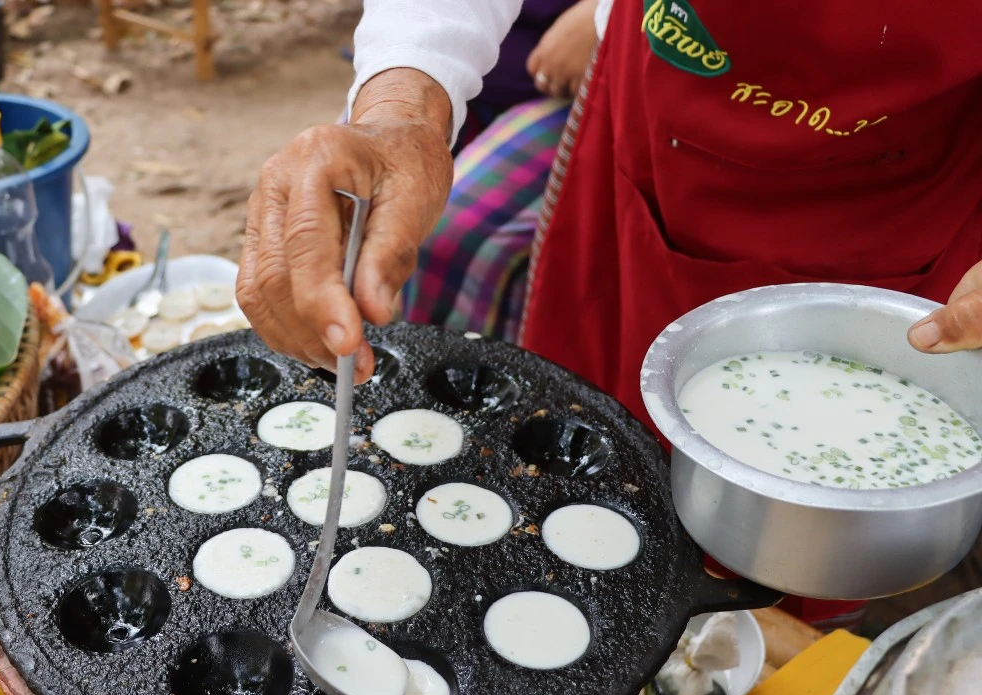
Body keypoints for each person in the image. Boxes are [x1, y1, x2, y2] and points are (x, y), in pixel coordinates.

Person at [236, 0, 982, 626]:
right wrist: (402, 104)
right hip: (659, 138)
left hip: (893, 194)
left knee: (799, 553)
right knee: (590, 464)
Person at [406, 0, 597, 342]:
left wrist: (609, 12)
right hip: (459, 60)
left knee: (448, 239)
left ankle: (461, 377)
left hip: (581, 84)